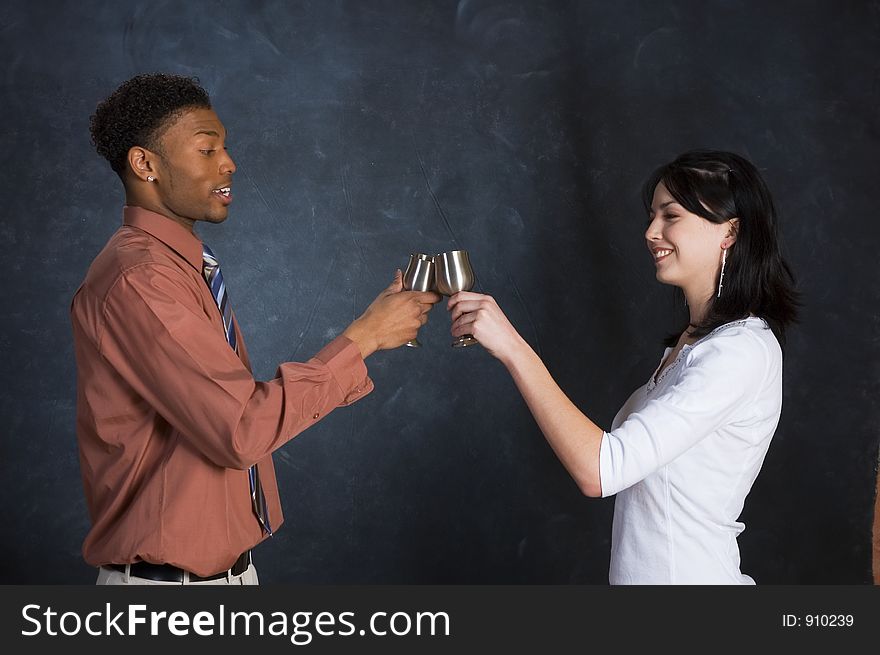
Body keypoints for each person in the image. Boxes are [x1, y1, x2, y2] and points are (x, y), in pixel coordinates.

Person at [71, 73, 440, 585]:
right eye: (207, 149)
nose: (229, 163)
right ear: (145, 164)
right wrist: (366, 337)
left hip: (229, 577)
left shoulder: (182, 266)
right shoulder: (142, 279)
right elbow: (240, 430)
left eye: (225, 147)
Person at [448, 150, 800, 584]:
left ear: (729, 230)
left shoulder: (740, 351)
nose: (651, 232)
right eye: (652, 216)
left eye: (671, 215)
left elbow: (601, 470)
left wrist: (514, 350)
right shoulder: (690, 346)